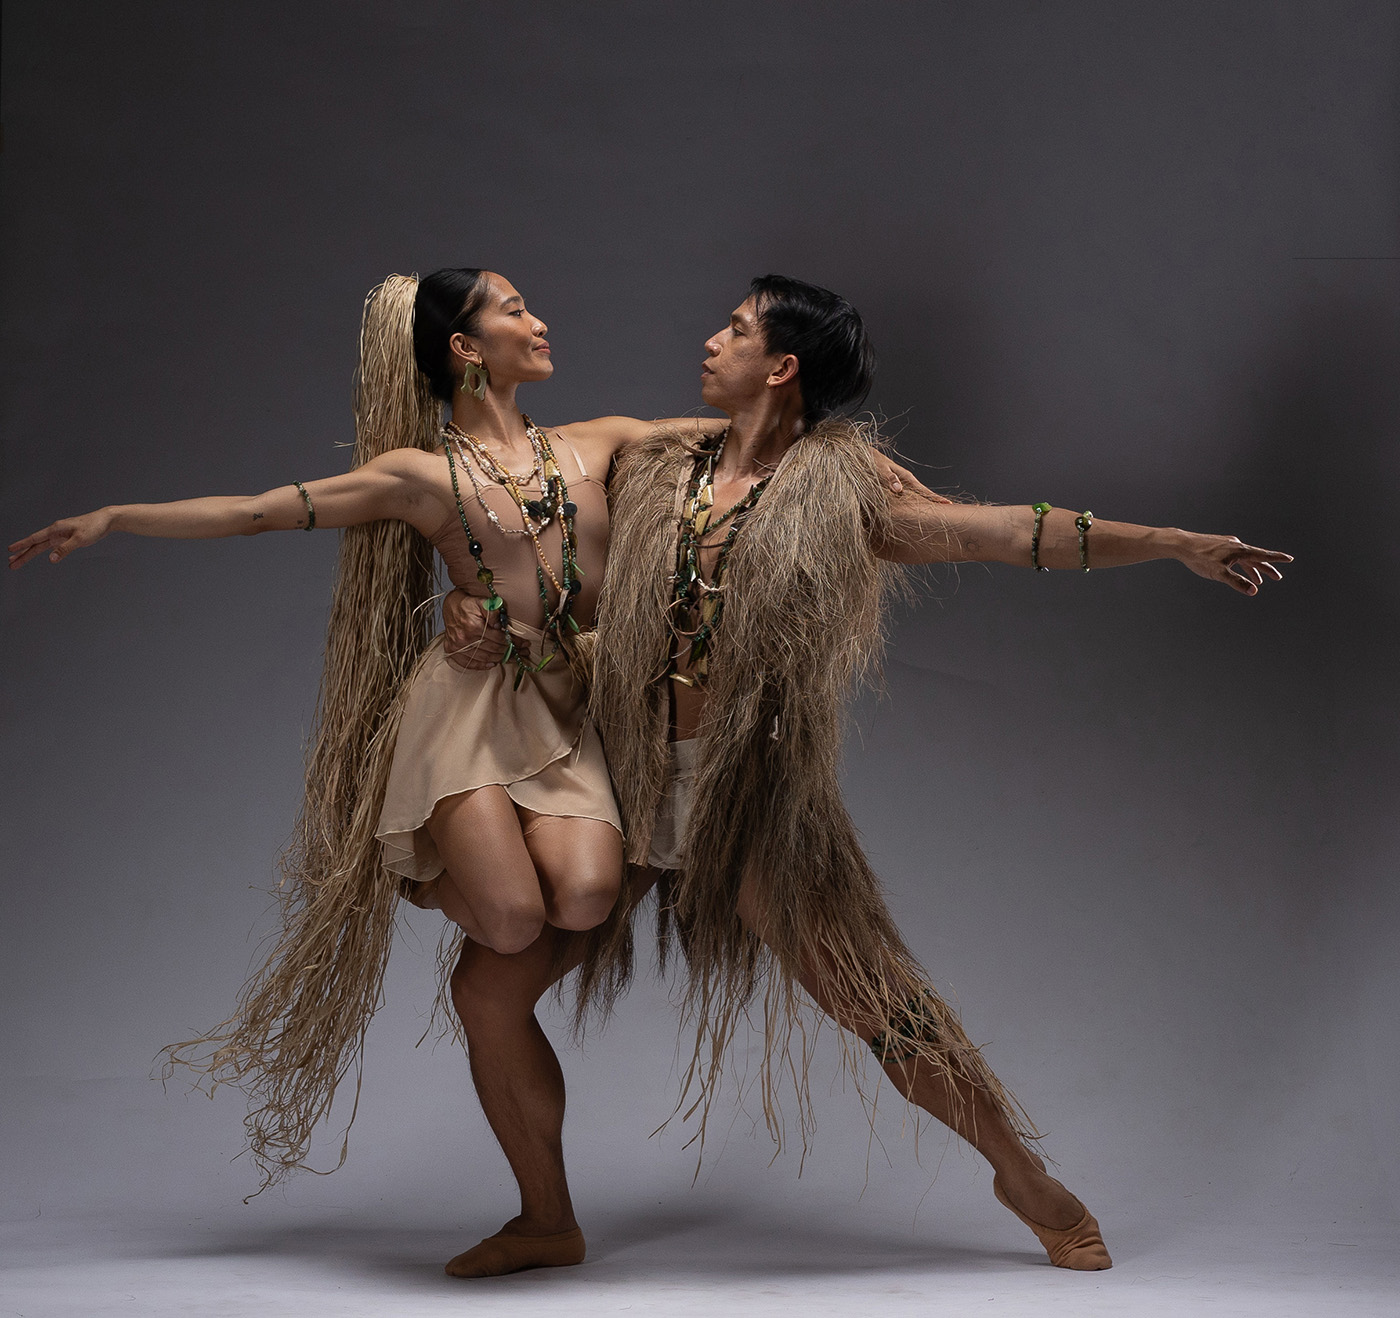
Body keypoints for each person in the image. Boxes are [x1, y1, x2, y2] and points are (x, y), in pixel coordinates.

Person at [438, 274, 1291, 1278]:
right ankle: (546, 1218)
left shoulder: (843, 490)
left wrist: (1171, 544)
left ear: (781, 366)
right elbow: (521, 515)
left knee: (879, 1005)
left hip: (747, 799)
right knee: (487, 991)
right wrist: (469, 607)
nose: (710, 340)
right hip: (612, 782)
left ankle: (1022, 1177)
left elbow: (1011, 532)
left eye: (736, 330)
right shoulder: (651, 464)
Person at [7, 267, 730, 1202]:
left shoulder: (600, 442)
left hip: (567, 706)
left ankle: (476, 885)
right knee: (512, 920)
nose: (540, 321)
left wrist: (847, 455)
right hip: (470, 711)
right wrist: (118, 518)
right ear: (465, 348)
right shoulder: (419, 475)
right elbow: (258, 511)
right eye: (516, 310)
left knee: (588, 897)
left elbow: (749, 438)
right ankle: (413, 868)